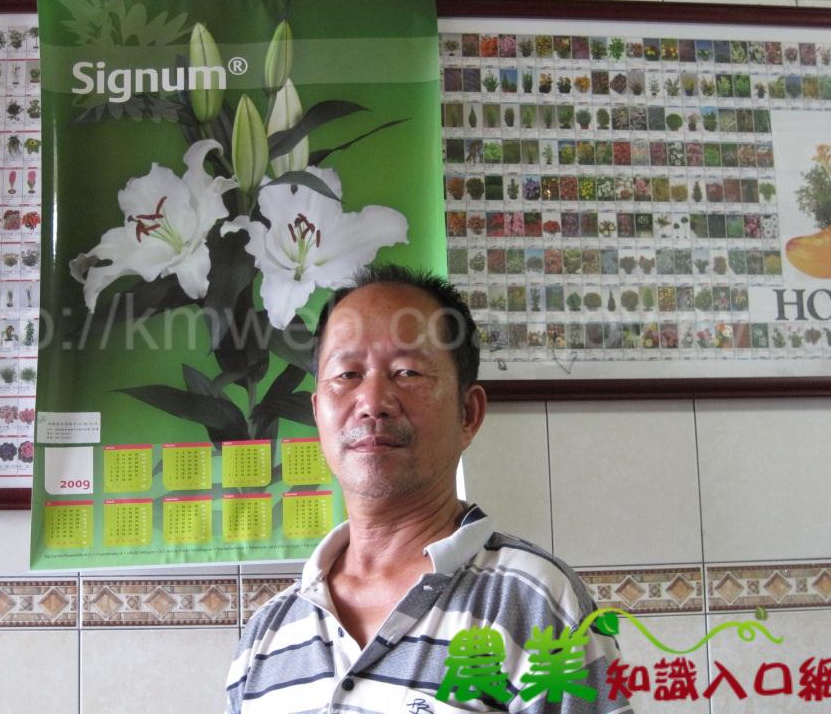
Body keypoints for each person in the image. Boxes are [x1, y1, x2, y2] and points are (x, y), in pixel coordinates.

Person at [225, 265, 631, 714]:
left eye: (408, 371)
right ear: (318, 414)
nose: (373, 401)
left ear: (468, 414)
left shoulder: (534, 602)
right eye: (347, 374)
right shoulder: (265, 637)